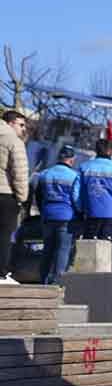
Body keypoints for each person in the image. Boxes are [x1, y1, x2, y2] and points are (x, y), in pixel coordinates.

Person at [35, 145, 81, 285]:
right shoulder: (74, 176)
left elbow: (38, 196)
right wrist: (80, 214)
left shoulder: (45, 174)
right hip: (66, 218)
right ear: (72, 160)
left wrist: (44, 211)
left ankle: (43, 279)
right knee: (62, 250)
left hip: (48, 216)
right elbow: (76, 199)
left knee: (47, 249)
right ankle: (57, 281)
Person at [0, 110, 30, 285]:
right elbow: (19, 172)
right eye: (21, 125)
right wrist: (22, 197)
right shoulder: (13, 141)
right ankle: (1, 274)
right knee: (4, 235)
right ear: (10, 123)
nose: (23, 129)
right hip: (5, 194)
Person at [78, 139, 112, 240]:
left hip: (90, 212)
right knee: (107, 246)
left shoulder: (84, 167)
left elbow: (76, 193)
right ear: (110, 151)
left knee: (89, 244)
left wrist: (80, 209)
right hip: (111, 214)